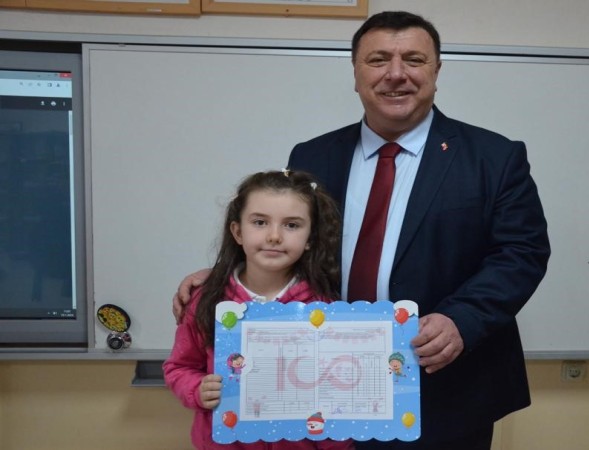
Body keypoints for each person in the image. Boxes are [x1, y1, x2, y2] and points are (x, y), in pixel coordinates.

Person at [174, 11, 550, 450]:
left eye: (414, 59)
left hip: (445, 386)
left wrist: (461, 319)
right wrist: (230, 272)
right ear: (355, 72)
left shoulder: (494, 157)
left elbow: (521, 253)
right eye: (378, 60)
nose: (396, 74)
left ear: (437, 70)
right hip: (325, 388)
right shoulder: (312, 156)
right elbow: (289, 237)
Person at [163, 170, 354, 450]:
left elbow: (336, 393)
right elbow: (179, 367)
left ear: (310, 238)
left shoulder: (324, 309)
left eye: (292, 225)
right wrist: (197, 389)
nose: (274, 236)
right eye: (260, 222)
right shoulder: (207, 301)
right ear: (238, 232)